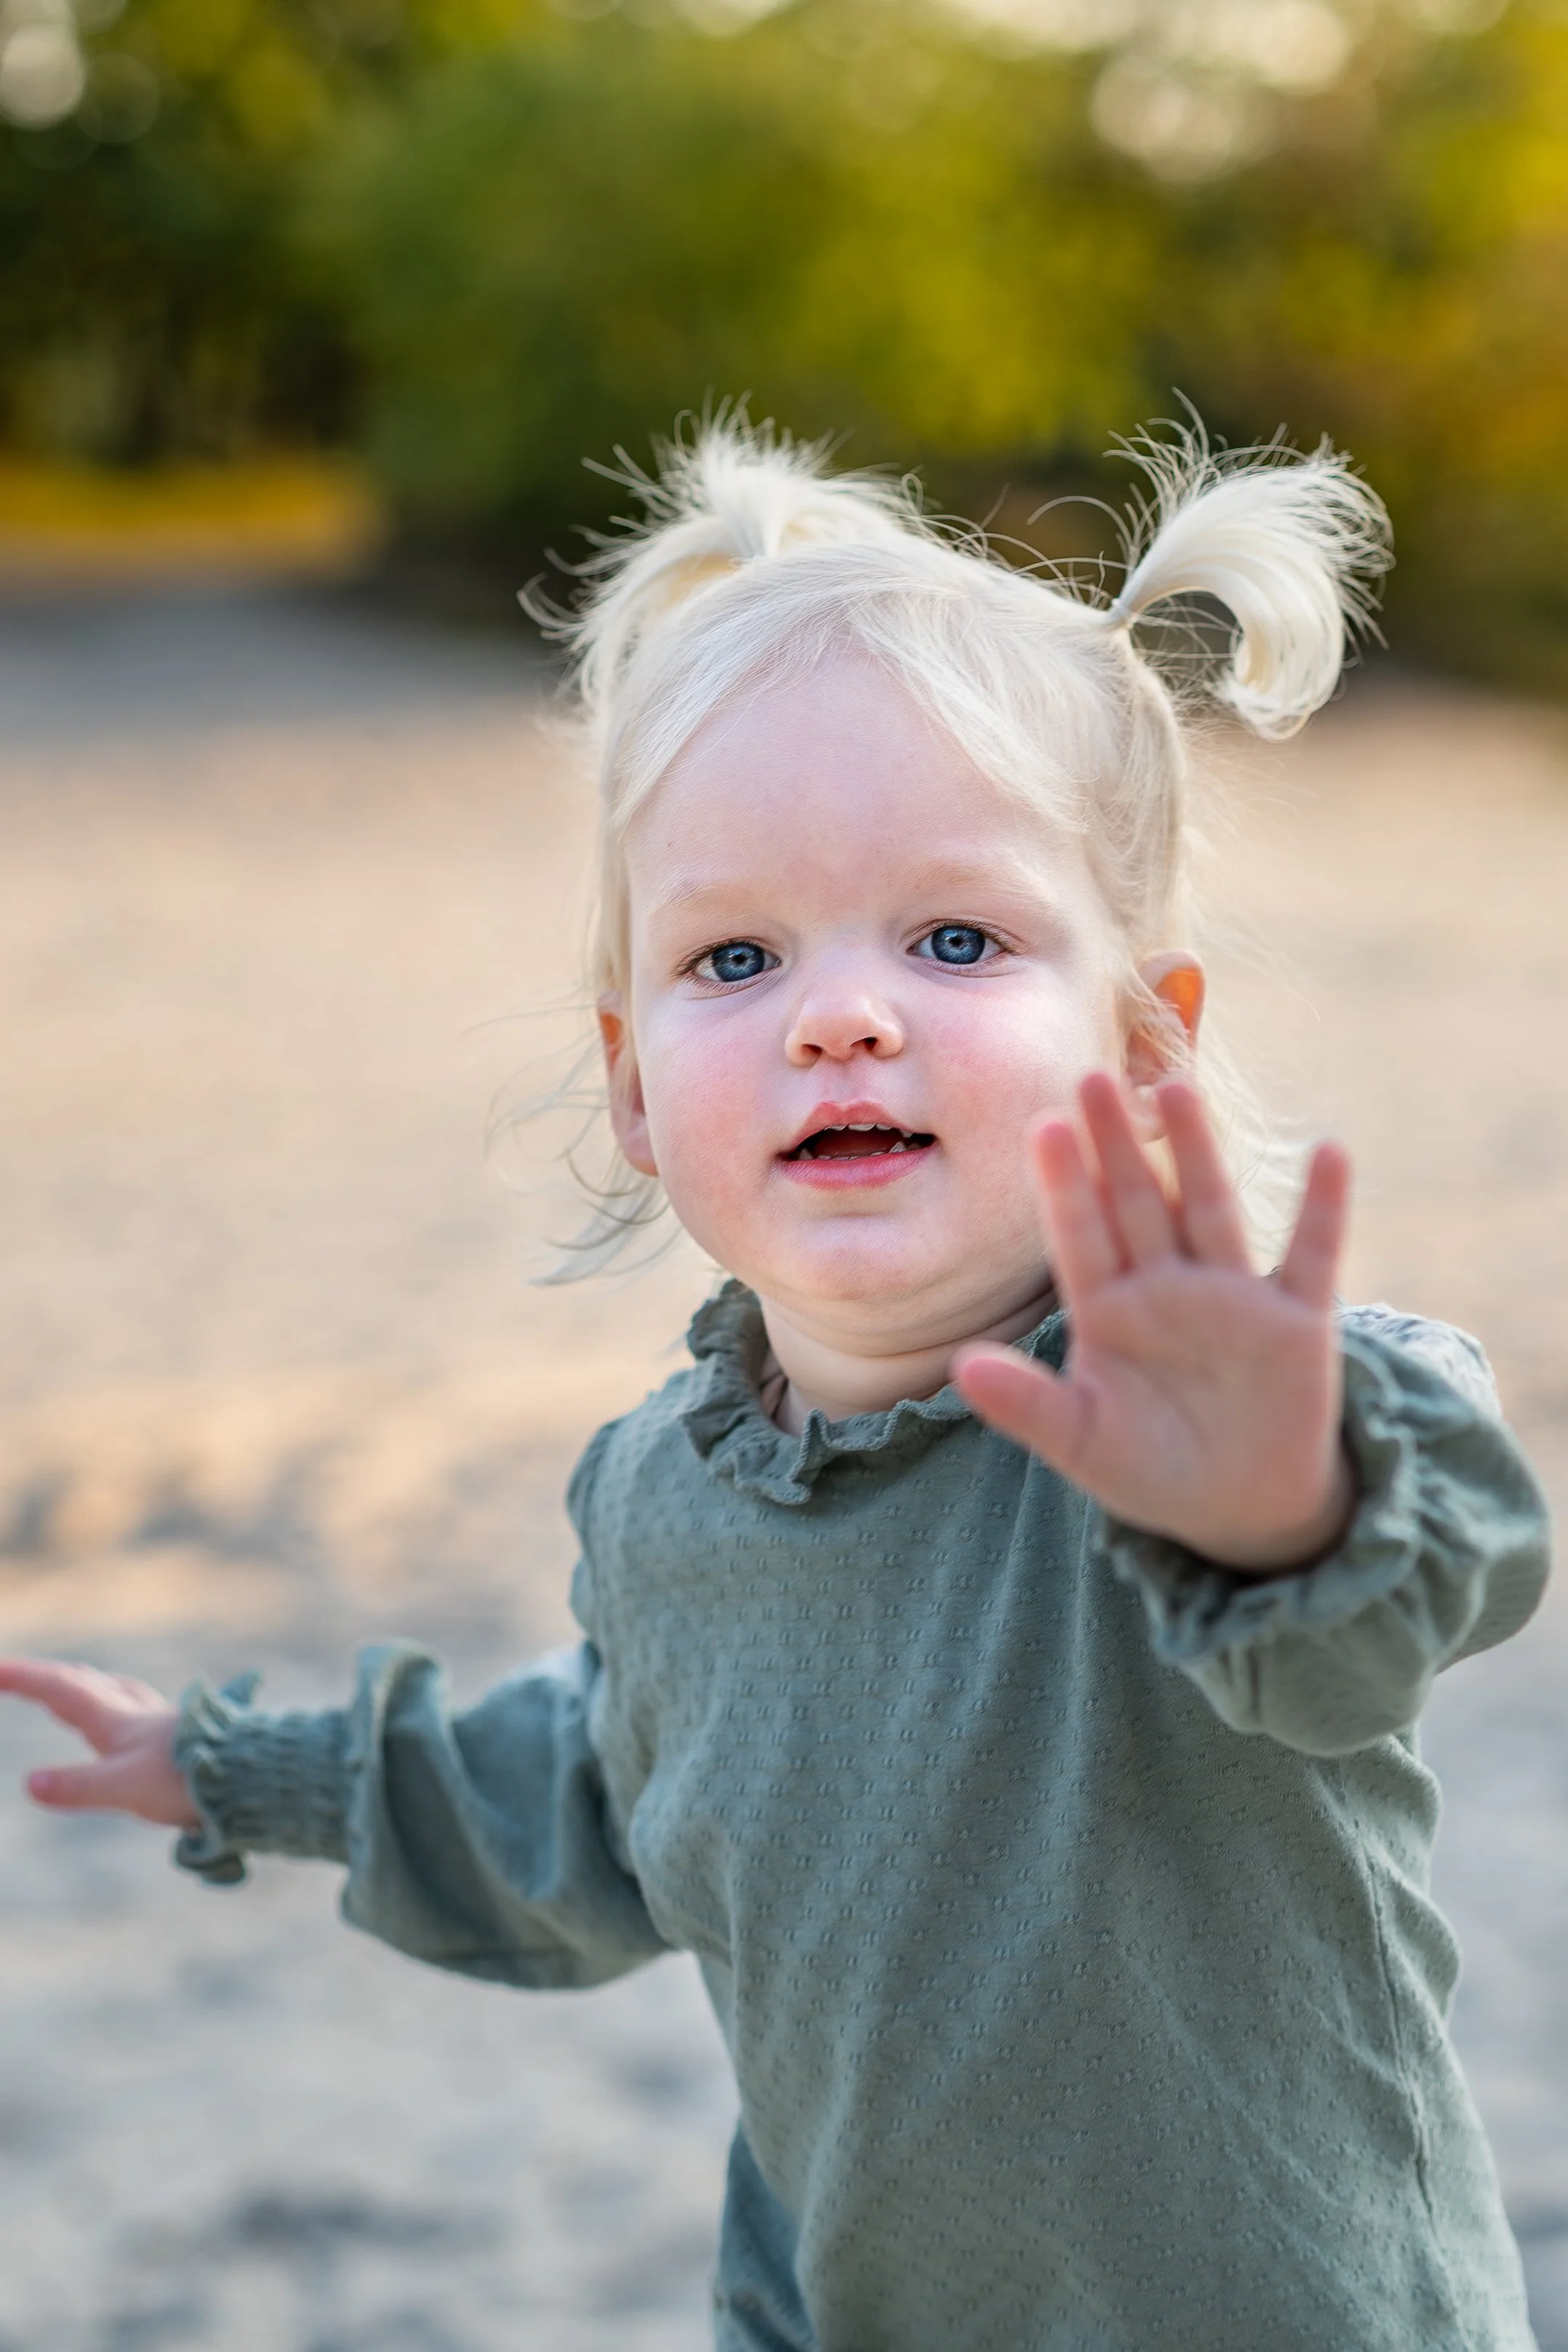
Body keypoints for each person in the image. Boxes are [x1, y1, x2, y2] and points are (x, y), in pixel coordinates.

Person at [0, 417, 1550, 2352]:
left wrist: (1280, 1507)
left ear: (1145, 1044)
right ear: (636, 1081)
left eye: (955, 935)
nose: (836, 1008)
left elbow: (1406, 1579)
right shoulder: (665, 1498)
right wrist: (242, 1764)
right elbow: (596, 1785)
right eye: (732, 954)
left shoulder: (1200, 1414)